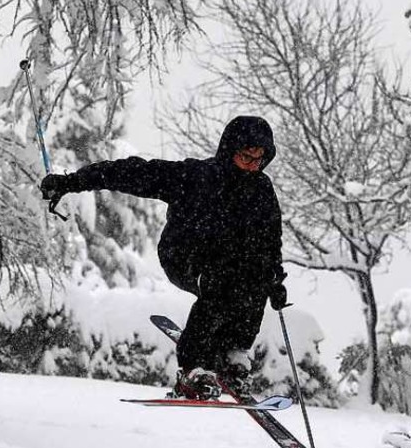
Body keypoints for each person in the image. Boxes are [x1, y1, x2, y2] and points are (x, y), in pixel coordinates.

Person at [39, 115, 289, 400]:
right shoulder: (196, 177)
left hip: (230, 262)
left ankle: (234, 352)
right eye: (246, 157)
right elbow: (130, 173)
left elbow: (269, 241)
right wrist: (71, 183)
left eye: (259, 160)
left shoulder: (261, 190)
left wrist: (274, 280)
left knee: (255, 278)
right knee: (220, 282)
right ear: (229, 150)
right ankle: (193, 368)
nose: (252, 166)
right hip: (183, 255)